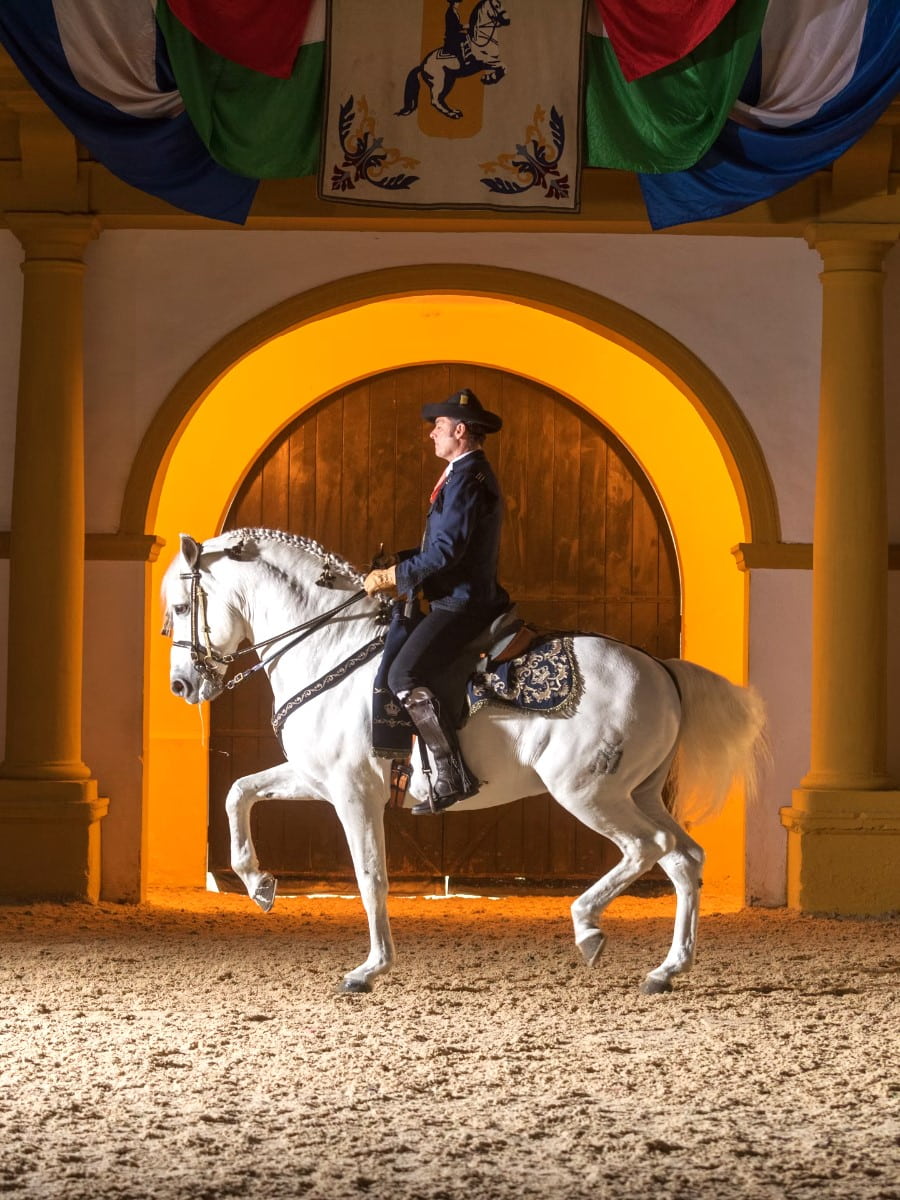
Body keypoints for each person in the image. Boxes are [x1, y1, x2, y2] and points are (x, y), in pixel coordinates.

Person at [364, 388, 509, 814]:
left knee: (402, 674)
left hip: (463, 602)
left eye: (439, 428)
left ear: (460, 431)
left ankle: (451, 774)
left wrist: (394, 576)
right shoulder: (463, 473)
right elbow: (443, 546)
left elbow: (448, 552)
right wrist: (401, 561)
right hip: (455, 596)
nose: (432, 435)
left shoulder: (467, 476)